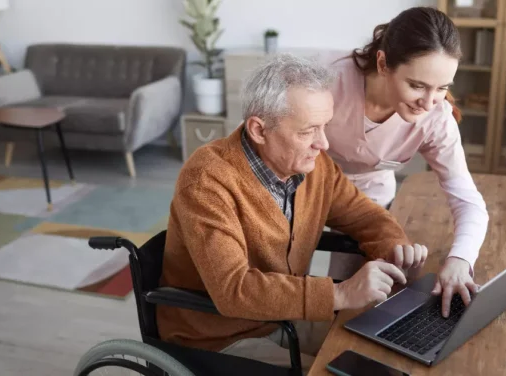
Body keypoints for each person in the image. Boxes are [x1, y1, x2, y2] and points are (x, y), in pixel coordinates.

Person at [156, 54, 428, 374]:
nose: (323, 143)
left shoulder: (313, 166)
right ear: (259, 129)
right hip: (219, 337)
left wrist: (395, 247)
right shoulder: (206, 180)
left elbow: (363, 215)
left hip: (285, 317)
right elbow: (234, 290)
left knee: (385, 352)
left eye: (325, 126)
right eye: (308, 131)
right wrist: (339, 293)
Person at [323, 6, 489, 318]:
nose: (428, 103)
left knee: (359, 299)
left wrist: (461, 259)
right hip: (308, 189)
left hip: (370, 200)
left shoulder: (436, 119)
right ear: (384, 63)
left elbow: (468, 200)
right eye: (417, 85)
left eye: (442, 88)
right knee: (312, 288)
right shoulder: (329, 82)